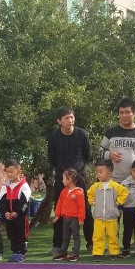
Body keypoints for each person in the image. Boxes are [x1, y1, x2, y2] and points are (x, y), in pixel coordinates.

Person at [48, 107, 93, 253]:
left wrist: (75, 172)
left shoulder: (82, 134)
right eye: (66, 118)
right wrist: (65, 174)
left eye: (72, 117)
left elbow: (87, 156)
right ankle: (58, 245)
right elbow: (52, 159)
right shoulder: (54, 137)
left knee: (86, 209)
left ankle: (91, 243)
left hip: (80, 176)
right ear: (59, 121)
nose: (70, 120)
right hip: (62, 178)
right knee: (60, 209)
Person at [100, 97, 135, 185]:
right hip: (113, 181)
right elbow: (100, 153)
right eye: (121, 113)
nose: (124, 116)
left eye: (127, 112)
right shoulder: (110, 133)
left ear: (134, 113)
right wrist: (109, 155)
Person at [87, 158, 129, 261]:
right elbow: (89, 194)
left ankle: (114, 253)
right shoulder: (95, 186)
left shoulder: (116, 186)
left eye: (101, 172)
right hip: (98, 217)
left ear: (109, 173)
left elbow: (125, 193)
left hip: (112, 217)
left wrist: (118, 202)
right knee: (97, 236)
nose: (98, 174)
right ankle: (97, 253)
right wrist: (92, 202)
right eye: (97, 172)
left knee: (113, 236)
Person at [0, 159, 32, 262]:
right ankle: (14, 252)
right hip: (9, 216)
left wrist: (17, 212)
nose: (9, 174)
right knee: (11, 234)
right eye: (7, 172)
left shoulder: (24, 186)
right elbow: (2, 201)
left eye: (11, 172)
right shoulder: (5, 186)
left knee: (21, 234)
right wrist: (5, 212)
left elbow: (24, 202)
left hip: (21, 217)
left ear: (19, 171)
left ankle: (21, 253)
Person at [52, 168, 86, 261]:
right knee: (65, 236)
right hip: (65, 218)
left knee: (75, 236)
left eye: (63, 178)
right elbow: (59, 203)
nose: (62, 180)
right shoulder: (64, 191)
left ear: (69, 179)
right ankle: (63, 253)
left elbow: (81, 207)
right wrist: (57, 215)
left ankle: (75, 253)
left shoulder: (78, 193)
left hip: (74, 218)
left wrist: (81, 219)